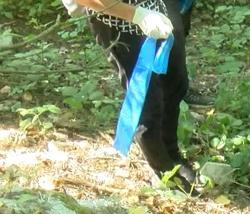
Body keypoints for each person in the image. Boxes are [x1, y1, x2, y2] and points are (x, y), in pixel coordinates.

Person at [65, 0, 199, 193]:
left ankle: (172, 154)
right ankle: (163, 170)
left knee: (175, 82)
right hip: (116, 17)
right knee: (147, 103)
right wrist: (138, 16)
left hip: (158, 5)